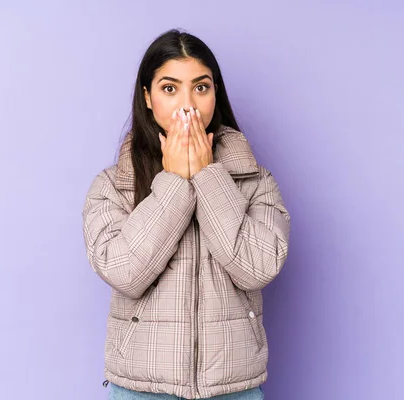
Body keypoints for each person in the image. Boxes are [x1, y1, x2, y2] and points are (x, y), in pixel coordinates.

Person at [82, 28, 291, 400]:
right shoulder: (113, 186)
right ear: (147, 97)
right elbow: (125, 272)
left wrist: (209, 175)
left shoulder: (256, 182)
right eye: (169, 88)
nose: (187, 105)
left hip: (234, 389)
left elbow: (258, 268)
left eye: (201, 87)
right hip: (141, 389)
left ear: (215, 94)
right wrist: (176, 180)